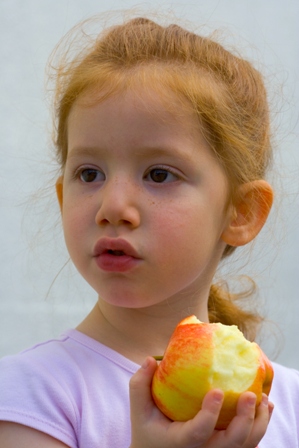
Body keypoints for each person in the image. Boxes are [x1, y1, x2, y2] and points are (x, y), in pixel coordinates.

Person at [0, 13, 298, 448]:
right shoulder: (33, 397)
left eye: (159, 175)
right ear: (63, 198)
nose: (113, 207)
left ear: (241, 212)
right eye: (89, 174)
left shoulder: (287, 408)